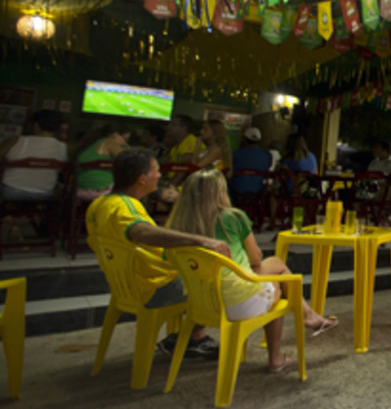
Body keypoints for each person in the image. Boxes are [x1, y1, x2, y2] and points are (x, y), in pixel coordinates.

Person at [167, 169, 337, 373]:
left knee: (274, 266)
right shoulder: (232, 217)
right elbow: (256, 260)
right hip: (237, 303)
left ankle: (310, 315)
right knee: (278, 284)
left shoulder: (176, 226)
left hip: (201, 303)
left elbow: (169, 261)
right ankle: (278, 354)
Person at [85, 148, 231, 360]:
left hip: (125, 285)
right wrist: (200, 240)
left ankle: (188, 336)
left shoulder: (99, 204)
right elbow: (141, 231)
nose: (160, 176)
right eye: (157, 171)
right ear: (142, 179)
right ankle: (193, 338)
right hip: (154, 286)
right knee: (219, 281)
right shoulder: (124, 207)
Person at [0, 109, 67, 200]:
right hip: (44, 195)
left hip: (10, 192)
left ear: (35, 126)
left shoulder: (15, 141)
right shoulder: (63, 148)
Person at [74, 123, 130, 201]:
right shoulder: (110, 143)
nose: (124, 143)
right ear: (115, 134)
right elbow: (130, 161)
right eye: (125, 139)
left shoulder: (89, 144)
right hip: (102, 191)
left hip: (78, 190)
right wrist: (127, 147)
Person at [230, 127, 272, 195]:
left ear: (244, 139)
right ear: (259, 140)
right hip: (258, 191)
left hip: (236, 190)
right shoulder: (267, 155)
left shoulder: (236, 154)